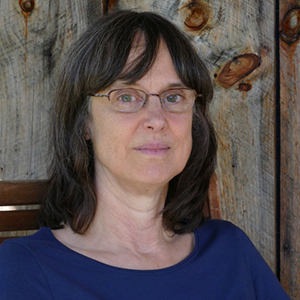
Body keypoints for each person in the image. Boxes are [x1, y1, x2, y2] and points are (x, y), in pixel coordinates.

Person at [0, 10, 290, 300]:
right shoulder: (26, 268)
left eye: (173, 97)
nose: (156, 118)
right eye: (126, 96)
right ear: (84, 121)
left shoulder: (230, 251)